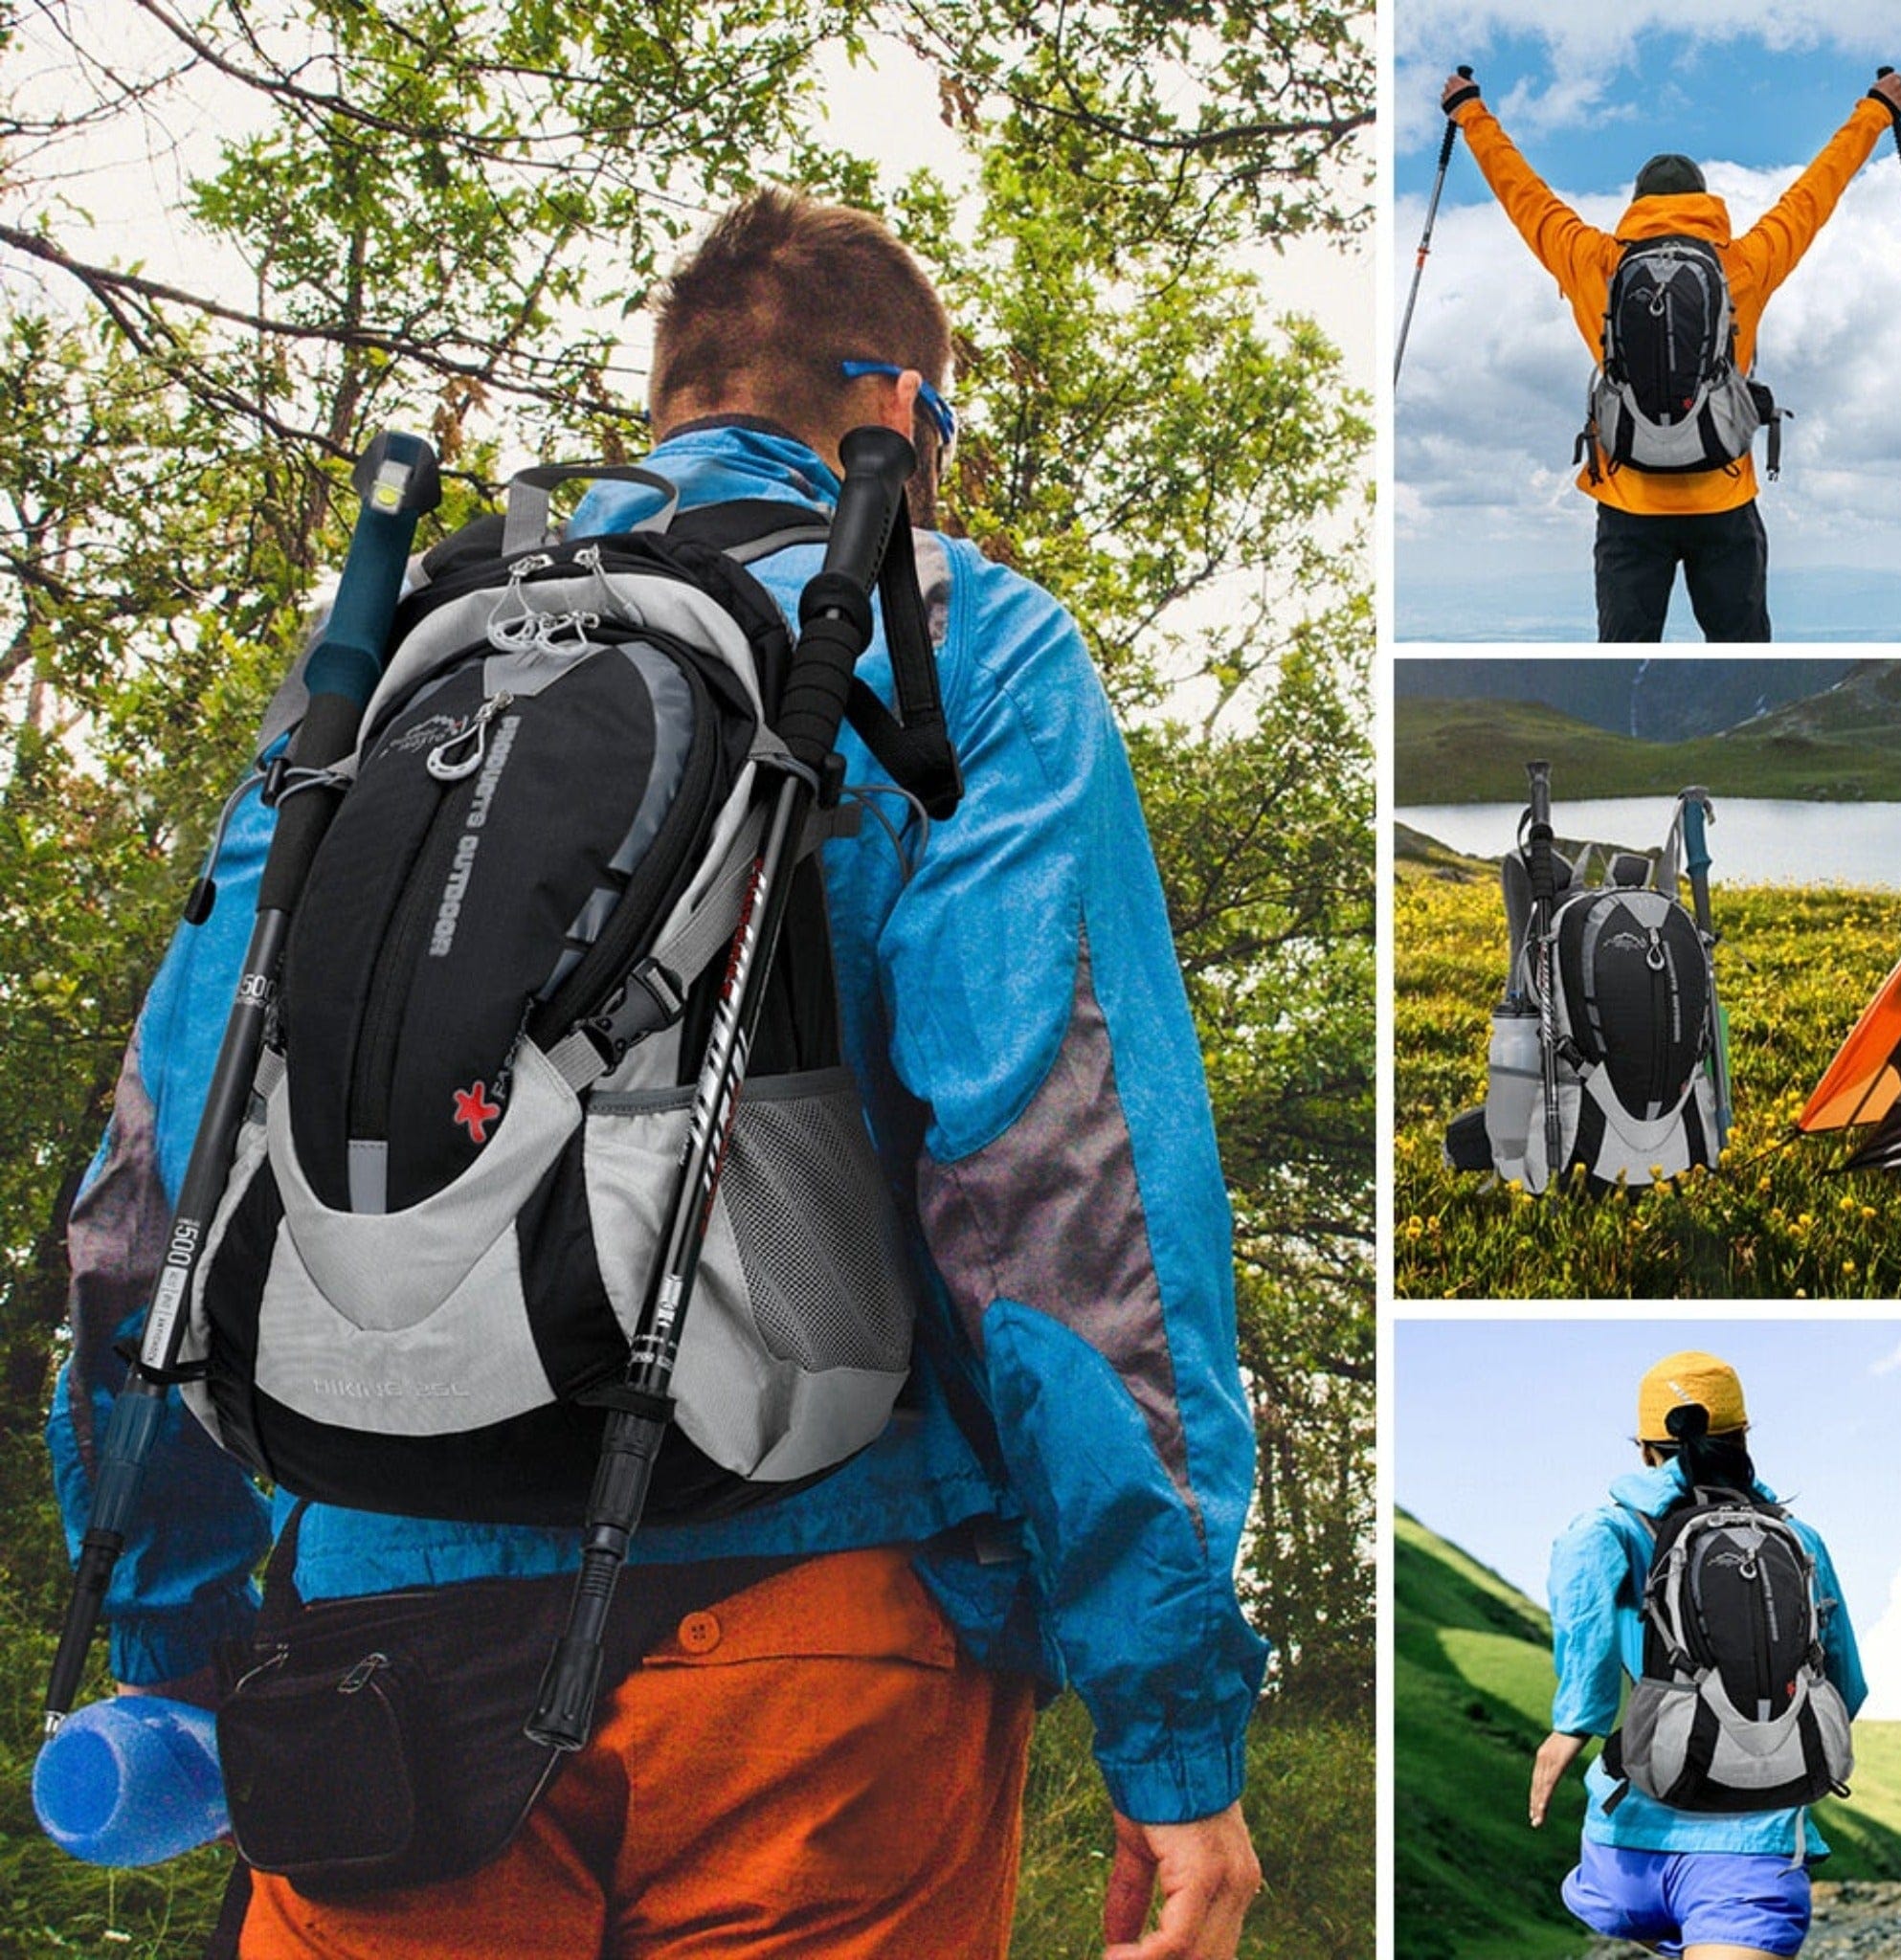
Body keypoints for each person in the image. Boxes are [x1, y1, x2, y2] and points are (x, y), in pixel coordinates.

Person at [48, 190, 1267, 1958]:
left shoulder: (401, 659)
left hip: (374, 1643)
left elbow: (162, 1170)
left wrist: (168, 1635)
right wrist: (1165, 1718)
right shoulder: (966, 643)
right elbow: (1060, 1187)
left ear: (673, 390)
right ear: (894, 409)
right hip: (827, 1634)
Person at [1440, 68, 1901, 642]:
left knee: (1621, 657)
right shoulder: (1744, 263)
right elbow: (1816, 190)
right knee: (1742, 657)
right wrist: (1876, 110)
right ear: (1704, 204)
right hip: (1724, 494)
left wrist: (1469, 112)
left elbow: (1524, 193)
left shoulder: (1595, 261)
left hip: (1628, 502)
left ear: (1637, 205)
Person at [1529, 1350, 1866, 1960]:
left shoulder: (1616, 1527)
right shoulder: (1799, 1540)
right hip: (1752, 1858)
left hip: (1622, 1856)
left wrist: (1575, 1720)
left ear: (1646, 1448)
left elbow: (1582, 1564)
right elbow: (1847, 1686)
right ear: (1742, 1437)